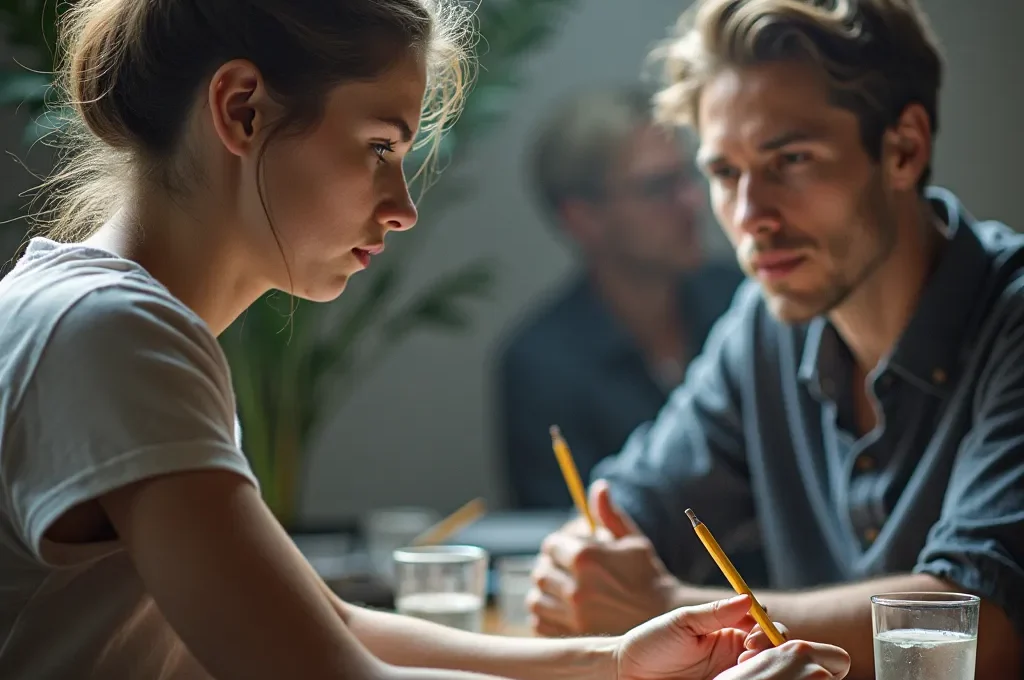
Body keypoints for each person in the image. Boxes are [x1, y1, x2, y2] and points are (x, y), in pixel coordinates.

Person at [0, 1, 851, 679]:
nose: (402, 205)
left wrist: (612, 663)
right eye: (379, 147)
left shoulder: (110, 321)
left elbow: (328, 623)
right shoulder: (113, 335)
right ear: (241, 109)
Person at [530, 0, 1024, 678]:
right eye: (724, 173)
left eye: (789, 159)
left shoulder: (1013, 322)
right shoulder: (764, 323)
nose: (749, 216)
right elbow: (633, 506)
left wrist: (667, 606)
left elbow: (982, 624)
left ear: (903, 148)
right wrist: (585, 563)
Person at [496, 88, 746, 523]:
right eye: (658, 187)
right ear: (582, 218)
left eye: (688, 176)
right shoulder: (541, 363)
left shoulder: (744, 302)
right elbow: (561, 529)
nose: (692, 201)